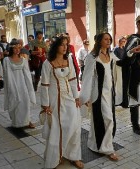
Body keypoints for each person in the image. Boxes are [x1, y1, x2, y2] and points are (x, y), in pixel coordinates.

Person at [40, 35, 83, 169]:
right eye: (62, 45)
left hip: (69, 96)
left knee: (75, 126)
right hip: (54, 99)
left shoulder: (68, 59)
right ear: (55, 46)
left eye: (66, 44)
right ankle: (55, 157)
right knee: (58, 128)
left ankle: (73, 156)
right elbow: (44, 85)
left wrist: (76, 96)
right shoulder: (48, 63)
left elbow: (72, 79)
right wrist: (45, 104)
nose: (65, 47)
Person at [79, 33, 120, 161]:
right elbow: (87, 78)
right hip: (99, 95)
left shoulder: (111, 55)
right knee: (108, 120)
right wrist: (86, 97)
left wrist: (131, 53)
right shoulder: (92, 57)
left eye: (110, 39)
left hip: (110, 94)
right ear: (99, 41)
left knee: (101, 121)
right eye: (106, 39)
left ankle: (94, 144)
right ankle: (107, 149)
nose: (109, 41)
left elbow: (121, 65)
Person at [3, 41, 36, 128]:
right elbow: (7, 75)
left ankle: (27, 120)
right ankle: (17, 122)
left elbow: (27, 74)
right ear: (11, 49)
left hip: (23, 84)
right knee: (16, 101)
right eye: (15, 48)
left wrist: (29, 87)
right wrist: (11, 87)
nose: (17, 50)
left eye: (19, 48)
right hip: (12, 84)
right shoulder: (6, 60)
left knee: (25, 101)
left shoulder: (23, 60)